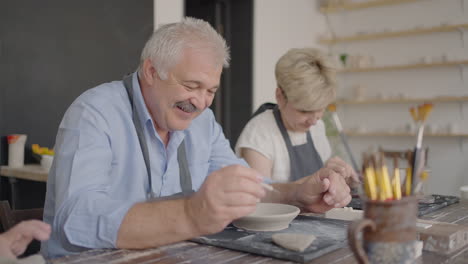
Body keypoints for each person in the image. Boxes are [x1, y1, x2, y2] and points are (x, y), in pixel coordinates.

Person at [42, 18, 351, 258]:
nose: (201, 102)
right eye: (192, 86)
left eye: (211, 91)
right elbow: (76, 220)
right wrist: (192, 214)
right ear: (151, 71)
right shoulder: (95, 113)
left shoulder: (202, 123)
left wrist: (299, 193)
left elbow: (245, 186)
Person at [235, 48, 358, 184]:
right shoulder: (259, 135)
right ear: (280, 97)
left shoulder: (318, 127)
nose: (313, 121)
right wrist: (315, 182)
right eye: (304, 111)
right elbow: (261, 196)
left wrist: (338, 177)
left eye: (320, 110)